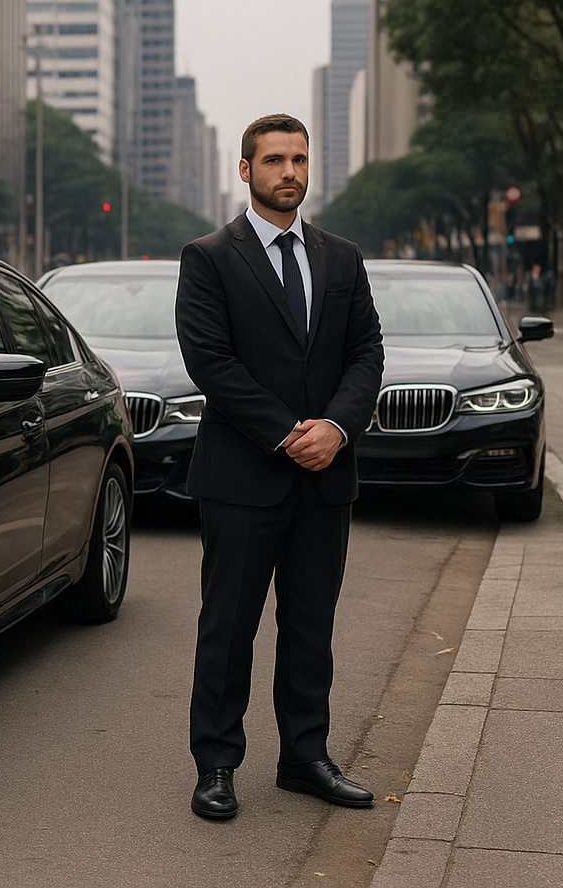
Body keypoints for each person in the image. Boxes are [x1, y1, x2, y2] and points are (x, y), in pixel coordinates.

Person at [175, 114, 384, 821]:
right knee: (228, 626)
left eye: (298, 159)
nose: (288, 171)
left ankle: (305, 757)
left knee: (310, 627)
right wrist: (288, 433)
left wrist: (337, 428)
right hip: (242, 477)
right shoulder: (209, 257)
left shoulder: (342, 258)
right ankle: (216, 764)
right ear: (246, 170)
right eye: (273, 160)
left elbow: (366, 353)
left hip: (326, 476)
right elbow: (210, 361)